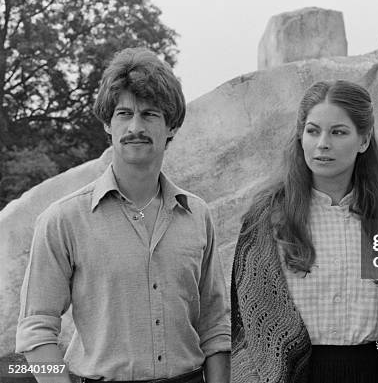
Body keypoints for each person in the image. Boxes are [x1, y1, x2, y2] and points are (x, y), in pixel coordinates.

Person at [16, 47, 230, 383]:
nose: (135, 126)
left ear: (171, 126)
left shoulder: (197, 215)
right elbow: (35, 329)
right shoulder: (63, 220)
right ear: (107, 123)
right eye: (124, 113)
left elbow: (215, 325)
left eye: (150, 115)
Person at [231, 80, 378, 383]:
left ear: (363, 140)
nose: (322, 143)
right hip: (287, 374)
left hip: (369, 373)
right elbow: (246, 324)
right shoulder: (265, 218)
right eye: (313, 131)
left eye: (338, 132)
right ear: (301, 136)